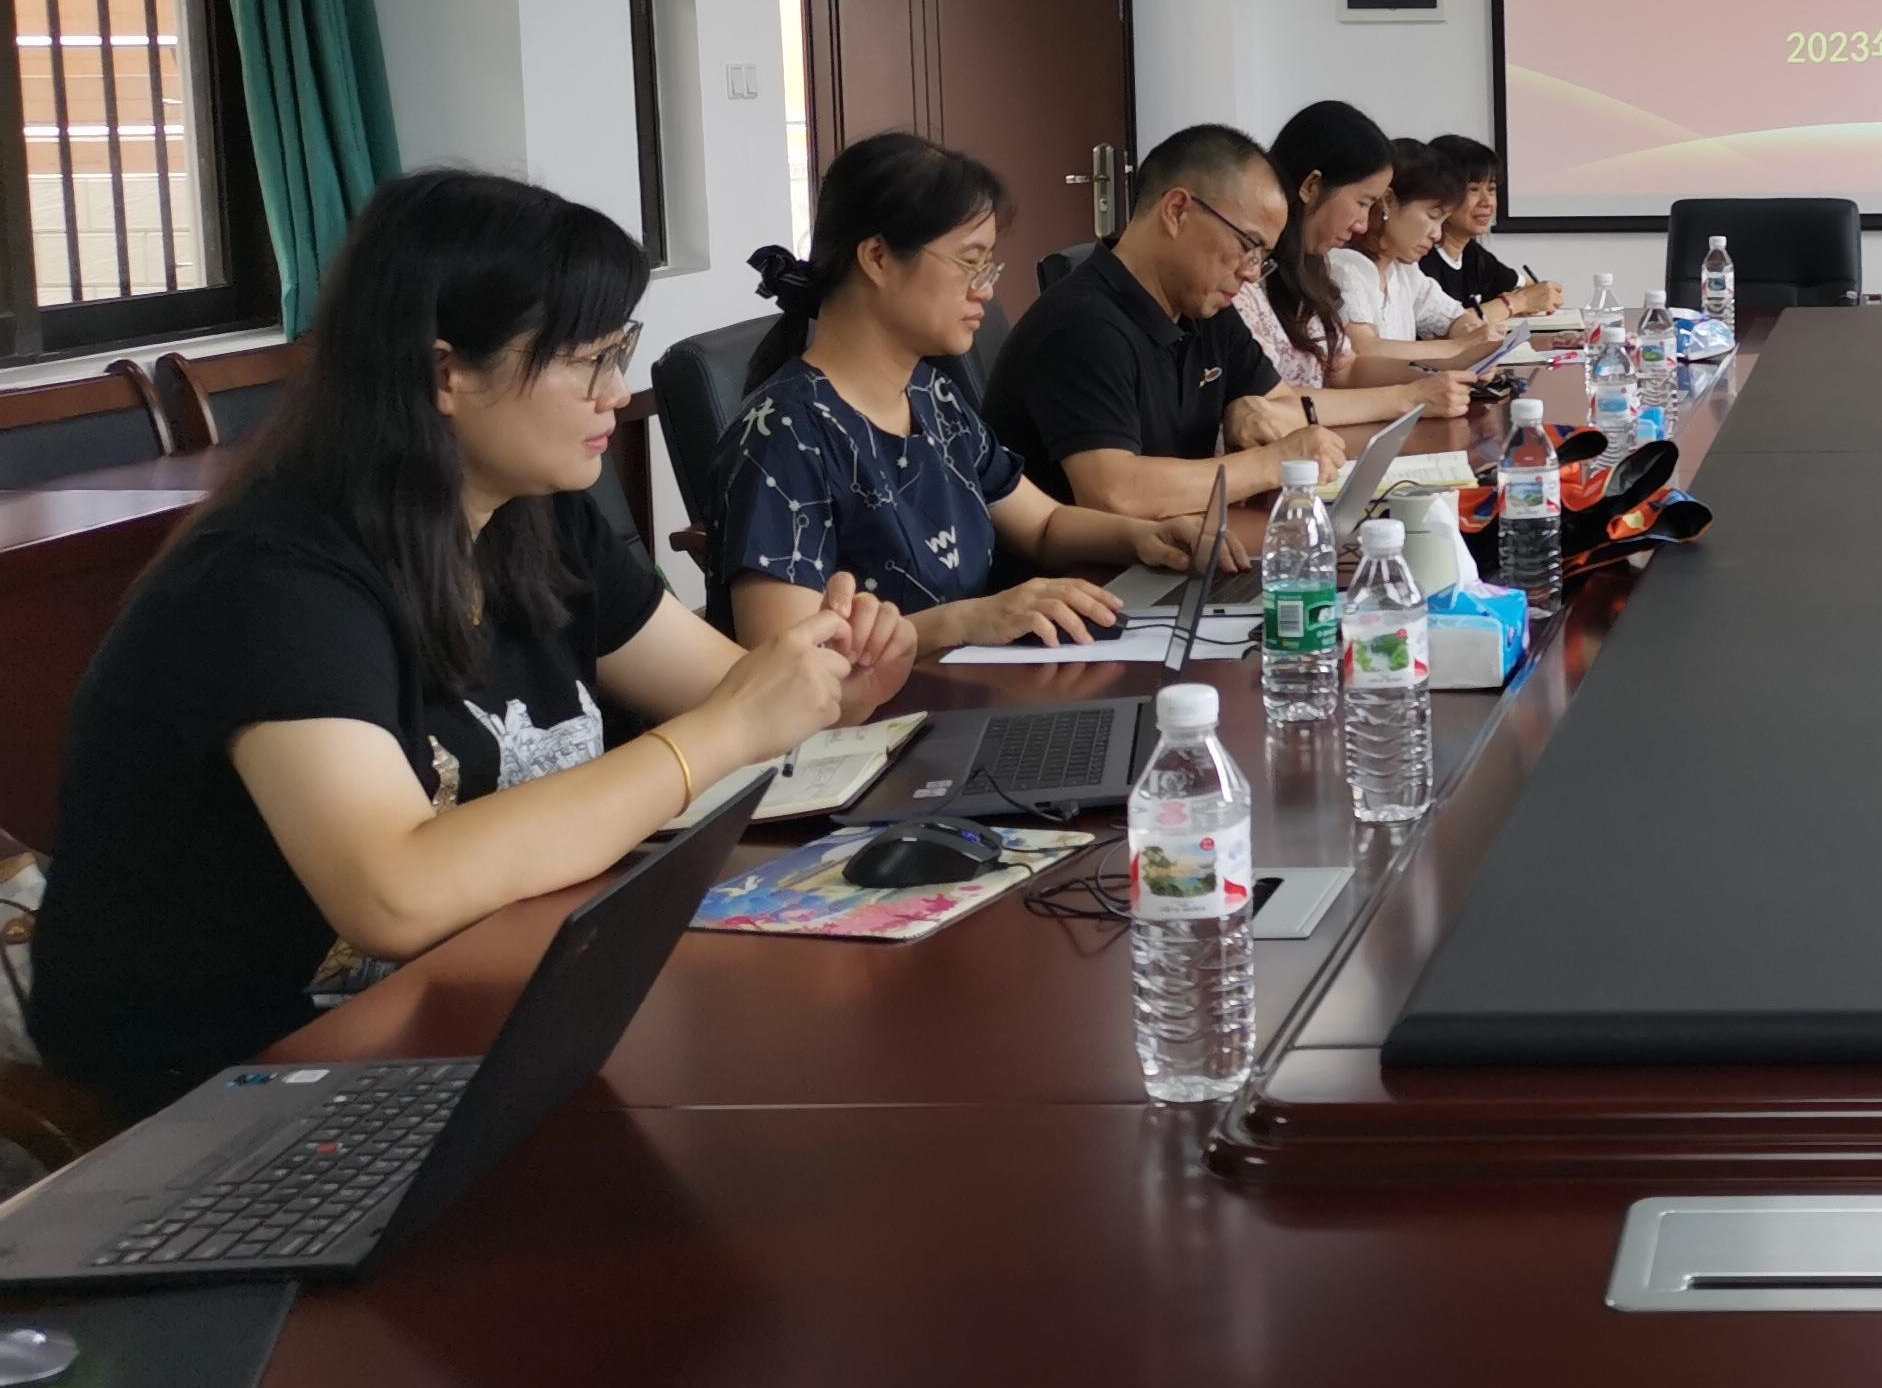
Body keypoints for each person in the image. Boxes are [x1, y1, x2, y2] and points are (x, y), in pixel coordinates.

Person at [29, 170, 917, 1118]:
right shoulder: (272, 581)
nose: (618, 393)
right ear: (445, 373)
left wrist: (836, 676)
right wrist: (725, 731)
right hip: (236, 1085)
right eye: (588, 361)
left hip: (484, 1008)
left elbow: (731, 692)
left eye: (620, 351)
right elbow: (395, 892)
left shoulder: (536, 517)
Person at [717, 132, 1195, 653]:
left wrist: (1142, 537)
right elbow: (782, 657)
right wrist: (963, 621)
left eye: (988, 266)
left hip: (966, 679)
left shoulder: (932, 396)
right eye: (970, 262)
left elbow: (1043, 524)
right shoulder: (785, 431)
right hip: (886, 703)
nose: (984, 289)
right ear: (877, 257)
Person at [980, 119, 1346, 526]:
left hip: (1174, 543)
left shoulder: (1207, 308)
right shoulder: (1082, 326)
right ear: (1177, 211)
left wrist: (1246, 409)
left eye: (1263, 257)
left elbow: (1285, 405)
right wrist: (1270, 463)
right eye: (1248, 246)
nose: (1251, 272)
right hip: (1091, 563)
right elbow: (1113, 494)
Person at [1234, 101, 1473, 429]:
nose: (1363, 224)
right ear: (1312, 186)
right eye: (1363, 203)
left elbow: (1345, 368)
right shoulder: (1244, 279)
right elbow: (1270, 404)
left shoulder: (1311, 267)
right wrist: (1408, 397)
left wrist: (1452, 367)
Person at [1329, 138, 1512, 369]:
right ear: (1388, 201)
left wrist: (1474, 338)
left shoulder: (1403, 270)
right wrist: (1458, 349)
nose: (1437, 234)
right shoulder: (1344, 266)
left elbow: (1454, 317)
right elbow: (1364, 349)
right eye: (1433, 217)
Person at [1422, 133, 1565, 320]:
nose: (1487, 202)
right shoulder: (1420, 256)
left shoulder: (1474, 254)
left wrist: (1539, 293)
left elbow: (1524, 286)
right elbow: (1449, 325)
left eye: (1491, 189)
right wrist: (1518, 302)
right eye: (1473, 190)